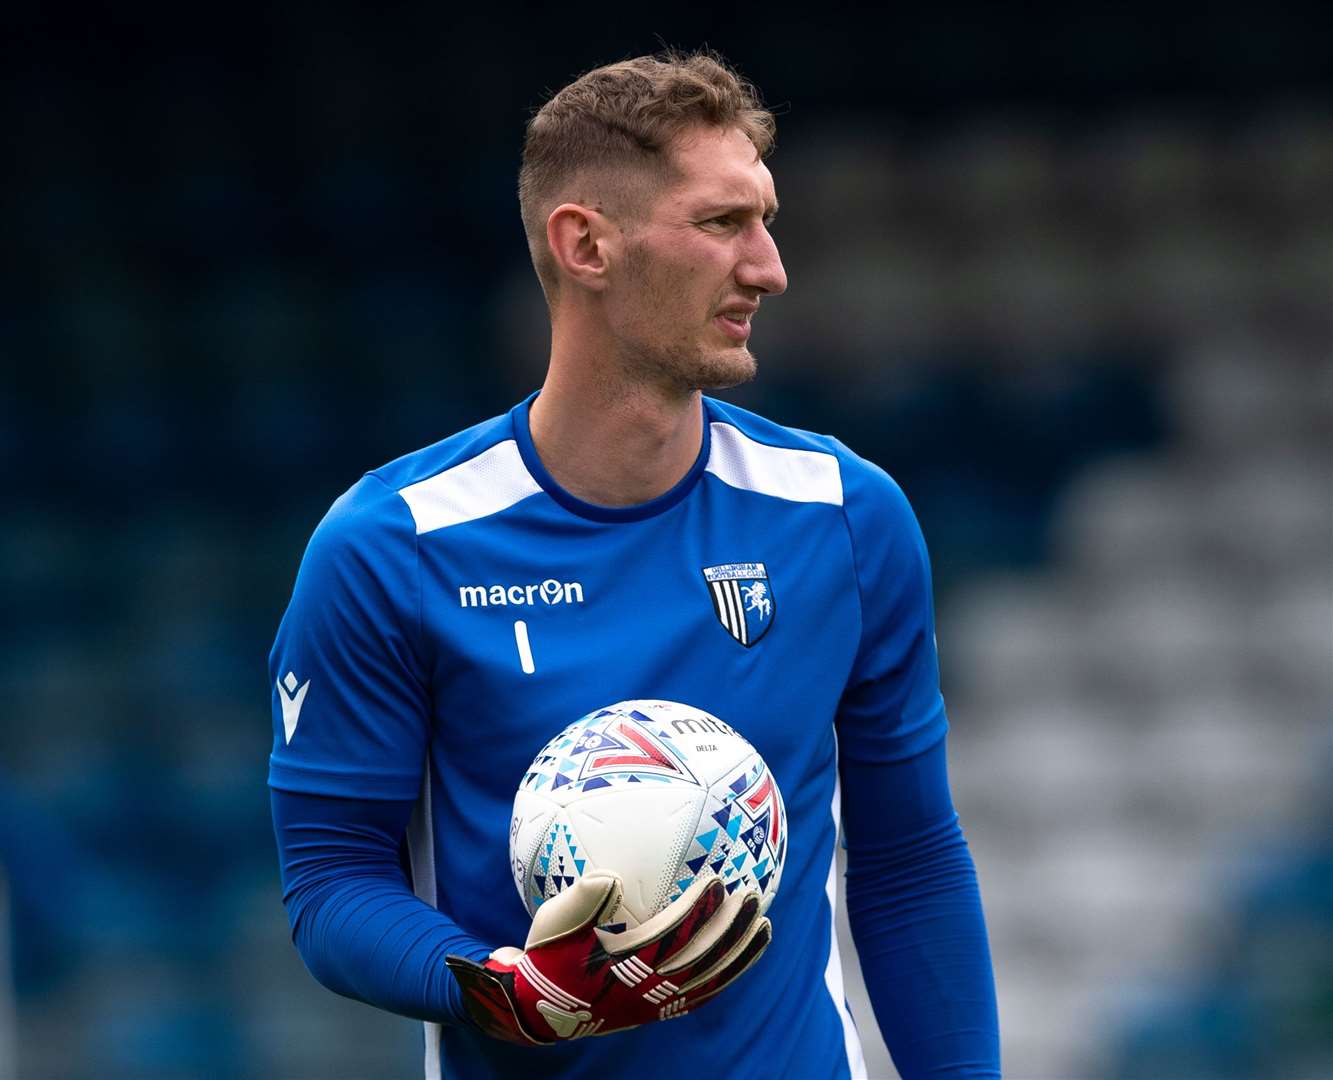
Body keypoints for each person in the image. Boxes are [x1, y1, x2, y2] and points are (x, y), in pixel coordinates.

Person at [269, 49, 1001, 1079]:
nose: (768, 267)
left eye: (766, 219)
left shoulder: (844, 516)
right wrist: (509, 993)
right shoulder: (393, 547)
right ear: (586, 245)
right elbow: (330, 882)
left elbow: (908, 859)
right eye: (720, 224)